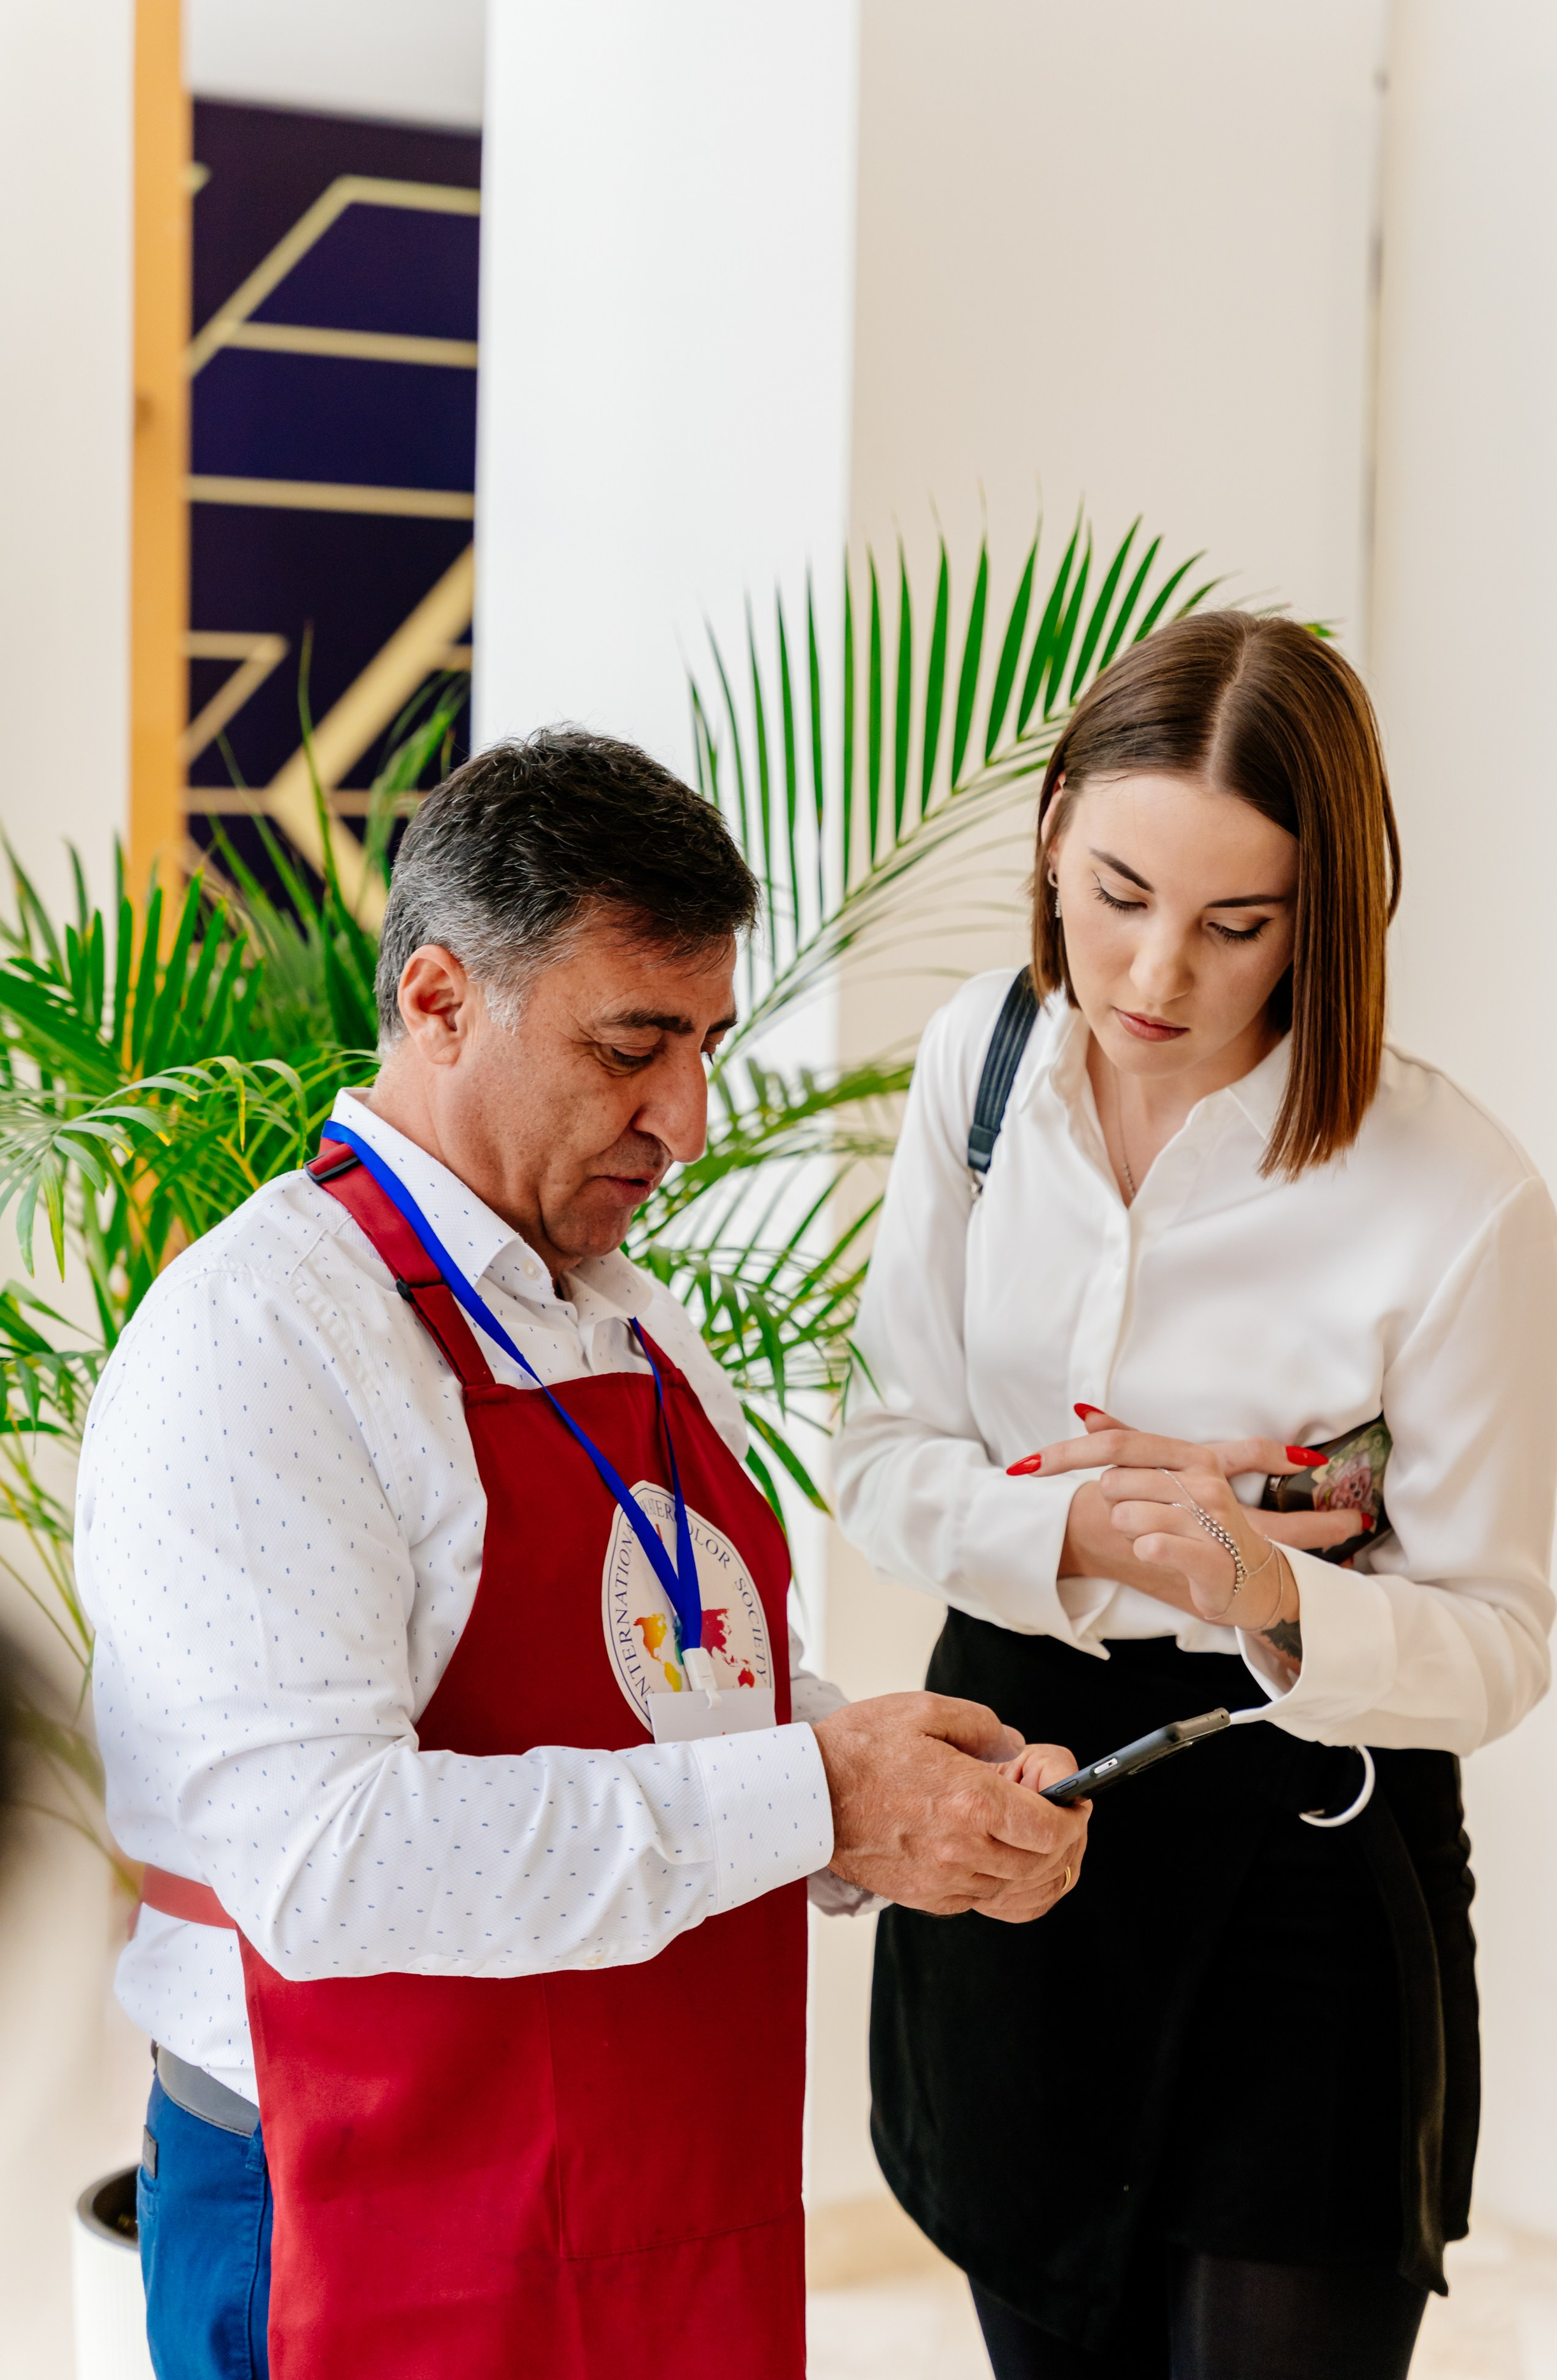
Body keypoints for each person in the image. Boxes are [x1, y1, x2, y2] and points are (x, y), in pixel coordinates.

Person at [79, 732, 1088, 2380]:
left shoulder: (621, 1312)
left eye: (703, 1045)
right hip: (357, 2199)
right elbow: (324, 1863)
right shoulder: (260, 1339)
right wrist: (816, 1795)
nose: (684, 1119)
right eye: (632, 1047)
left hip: (655, 2176)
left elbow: (678, 1682)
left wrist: (898, 1795)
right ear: (437, 1001)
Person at [834, 614, 1557, 2380]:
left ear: (1325, 918)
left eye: (1239, 924)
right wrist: (1090, 1534)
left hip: (1305, 1843)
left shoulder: (1456, 1200)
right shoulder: (984, 1066)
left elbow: (1499, 1652)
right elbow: (881, 1456)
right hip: (1015, 1782)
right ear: (1054, 826)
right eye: (1115, 892)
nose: (1154, 970)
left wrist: (1266, 1587)